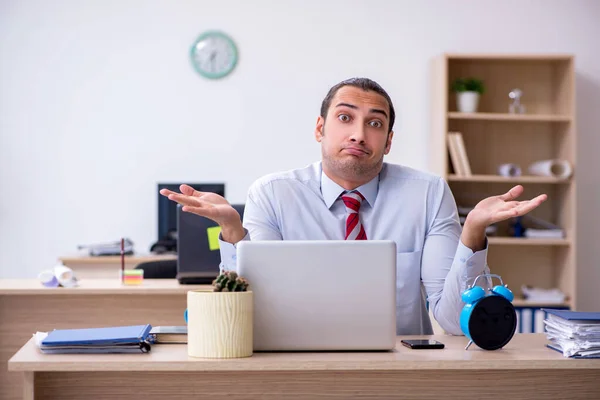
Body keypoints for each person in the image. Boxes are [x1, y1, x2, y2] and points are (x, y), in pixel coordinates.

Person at [160, 77, 547, 335]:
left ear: (389, 141)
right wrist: (232, 231)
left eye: (375, 124)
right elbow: (255, 313)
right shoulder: (273, 194)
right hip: (297, 369)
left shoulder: (427, 193)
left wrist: (473, 233)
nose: (359, 134)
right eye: (345, 118)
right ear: (320, 128)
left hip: (401, 371)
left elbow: (450, 320)